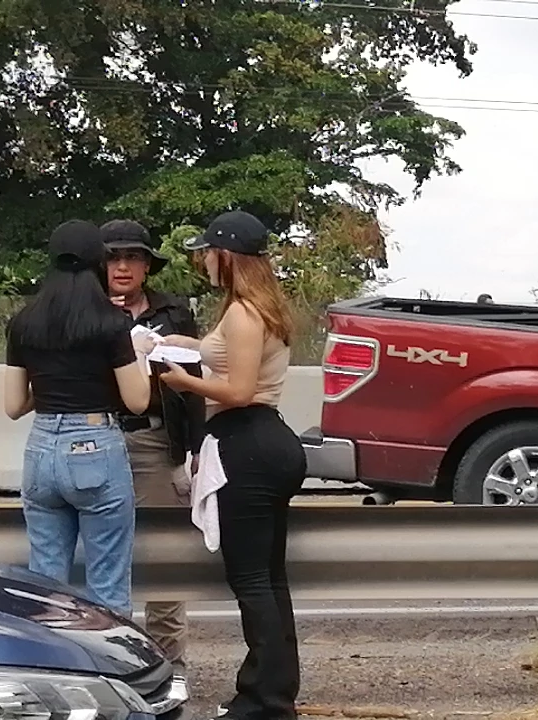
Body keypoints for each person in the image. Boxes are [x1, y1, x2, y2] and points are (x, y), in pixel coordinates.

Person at [158, 210, 306, 720]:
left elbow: (239, 391)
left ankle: (263, 700)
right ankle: (275, 691)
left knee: (250, 580)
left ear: (228, 256)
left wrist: (186, 382)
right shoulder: (264, 309)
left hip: (248, 444)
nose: (202, 261)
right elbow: (232, 359)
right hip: (271, 440)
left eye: (207, 252)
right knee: (271, 578)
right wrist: (187, 345)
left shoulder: (243, 312)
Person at [3, 219, 154, 618]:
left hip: (41, 450)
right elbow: (137, 401)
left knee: (44, 583)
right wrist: (138, 351)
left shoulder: (23, 322)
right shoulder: (110, 323)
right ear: (97, 262)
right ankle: (112, 673)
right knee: (107, 585)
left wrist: (54, 383)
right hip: (94, 446)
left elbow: (14, 405)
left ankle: (48, 670)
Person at [102, 218, 206, 669]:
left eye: (133, 258)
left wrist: (196, 447)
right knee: (102, 555)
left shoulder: (173, 312)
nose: (123, 267)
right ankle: (107, 661)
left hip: (153, 437)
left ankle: (169, 664)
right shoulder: (84, 308)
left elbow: (193, 381)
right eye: (113, 258)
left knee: (163, 551)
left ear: (147, 266)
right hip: (96, 435)